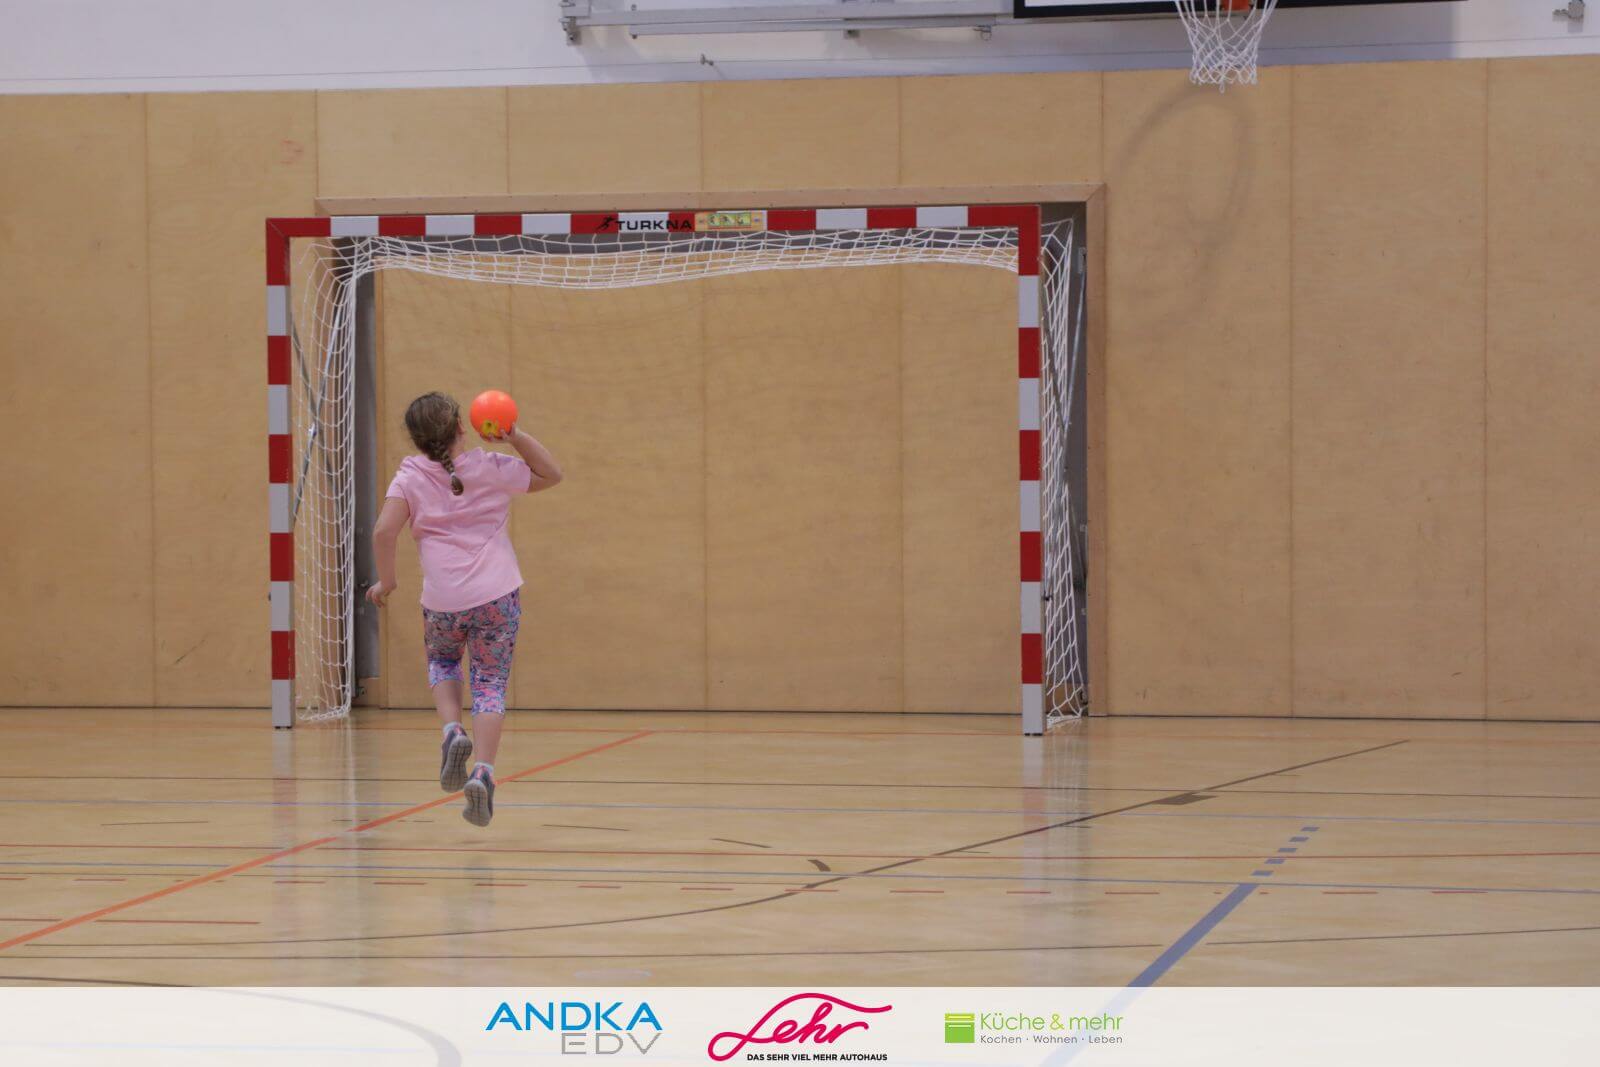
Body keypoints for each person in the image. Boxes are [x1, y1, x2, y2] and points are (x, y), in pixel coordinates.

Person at [366, 391, 563, 827]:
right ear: (462, 427)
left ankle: (452, 730)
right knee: (489, 681)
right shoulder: (490, 467)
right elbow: (551, 474)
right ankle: (483, 773)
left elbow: (383, 532)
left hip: (443, 599)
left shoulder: (410, 476)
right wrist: (515, 437)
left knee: (443, 661)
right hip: (497, 595)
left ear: (417, 439)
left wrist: (388, 582)